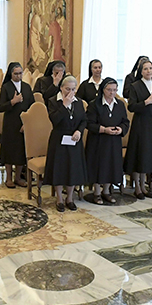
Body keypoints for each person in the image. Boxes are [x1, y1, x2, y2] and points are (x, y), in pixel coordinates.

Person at [44, 75, 87, 212]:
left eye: (73, 89)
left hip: (74, 140)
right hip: (59, 138)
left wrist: (79, 131)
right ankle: (59, 199)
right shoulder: (53, 101)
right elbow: (55, 120)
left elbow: (84, 120)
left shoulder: (79, 102)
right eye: (67, 89)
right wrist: (64, 105)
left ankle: (70, 198)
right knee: (59, 169)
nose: (70, 92)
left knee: (72, 169)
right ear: (61, 88)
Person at [124, 59, 152, 199]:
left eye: (151, 68)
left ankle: (145, 186)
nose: (148, 71)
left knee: (148, 156)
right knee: (139, 156)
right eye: (146, 69)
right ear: (141, 71)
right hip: (141, 124)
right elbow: (131, 107)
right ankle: (138, 187)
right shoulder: (135, 86)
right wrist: (146, 102)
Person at [85, 78, 129, 205]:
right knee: (99, 165)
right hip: (98, 141)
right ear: (103, 90)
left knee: (111, 165)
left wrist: (120, 129)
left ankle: (106, 191)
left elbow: (125, 122)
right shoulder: (94, 104)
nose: (112, 93)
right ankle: (97, 193)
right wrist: (104, 129)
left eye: (115, 90)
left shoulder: (120, 104)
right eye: (109, 90)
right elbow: (89, 123)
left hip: (114, 141)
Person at [0, 63, 34, 188]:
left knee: (20, 151)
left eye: (20, 73)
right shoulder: (6, 87)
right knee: (10, 150)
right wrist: (13, 102)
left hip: (23, 124)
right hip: (10, 124)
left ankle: (18, 177)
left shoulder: (27, 87)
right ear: (11, 74)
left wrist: (28, 122)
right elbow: (0, 107)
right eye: (15, 74)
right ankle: (8, 178)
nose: (18, 76)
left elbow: (32, 106)